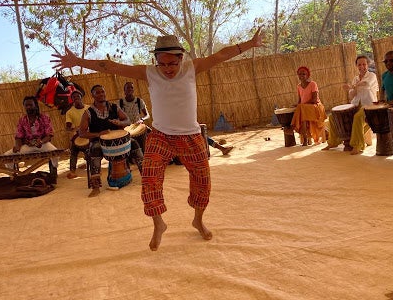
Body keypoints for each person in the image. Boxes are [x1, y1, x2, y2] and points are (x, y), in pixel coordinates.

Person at [52, 27, 264, 251]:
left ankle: (198, 220)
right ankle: (159, 224)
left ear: (181, 59)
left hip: (191, 136)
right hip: (161, 136)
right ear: (156, 61)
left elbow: (221, 55)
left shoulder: (192, 68)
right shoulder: (149, 73)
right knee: (150, 179)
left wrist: (250, 44)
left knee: (202, 181)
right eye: (162, 63)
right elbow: (111, 66)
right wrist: (77, 60)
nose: (167, 69)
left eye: (172, 63)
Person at [78, 84, 144, 197]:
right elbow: (82, 133)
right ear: (92, 95)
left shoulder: (114, 107)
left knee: (134, 143)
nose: (101, 94)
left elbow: (127, 120)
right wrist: (98, 134)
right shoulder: (88, 112)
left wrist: (120, 123)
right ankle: (96, 187)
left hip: (118, 139)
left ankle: (146, 176)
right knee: (95, 149)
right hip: (99, 141)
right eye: (97, 92)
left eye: (102, 92)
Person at [323, 55, 378, 154]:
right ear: (356, 66)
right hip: (356, 105)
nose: (362, 67)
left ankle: (358, 145)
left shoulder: (372, 76)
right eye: (359, 64)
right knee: (333, 117)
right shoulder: (355, 78)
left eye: (364, 64)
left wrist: (353, 86)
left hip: (369, 105)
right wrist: (350, 89)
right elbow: (352, 96)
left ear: (368, 65)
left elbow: (366, 84)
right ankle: (333, 142)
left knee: (357, 117)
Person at [4, 96, 59, 183]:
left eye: (30, 105)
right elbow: (19, 136)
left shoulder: (44, 117)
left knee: (55, 152)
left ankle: (54, 170)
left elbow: (49, 135)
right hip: (28, 145)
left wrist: (41, 141)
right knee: (7, 155)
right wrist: (17, 146)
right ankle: (12, 175)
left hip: (43, 144)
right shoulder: (22, 120)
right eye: (26, 105)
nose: (28, 107)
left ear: (35, 105)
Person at [290, 66, 327, 146]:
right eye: (300, 74)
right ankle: (305, 139)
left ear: (308, 75)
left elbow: (314, 99)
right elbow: (300, 100)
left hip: (315, 106)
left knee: (301, 109)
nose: (302, 76)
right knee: (301, 110)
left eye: (304, 74)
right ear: (298, 76)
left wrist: (302, 105)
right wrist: (296, 105)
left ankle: (293, 128)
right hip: (304, 108)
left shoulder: (313, 84)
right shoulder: (299, 86)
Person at [119, 81, 150, 152]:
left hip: (138, 126)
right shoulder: (120, 103)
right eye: (127, 88)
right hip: (126, 128)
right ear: (124, 91)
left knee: (149, 136)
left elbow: (147, 115)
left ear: (133, 90)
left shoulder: (139, 101)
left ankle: (144, 156)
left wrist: (142, 119)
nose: (130, 89)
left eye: (131, 87)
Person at [65, 90, 89, 179]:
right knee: (74, 151)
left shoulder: (88, 108)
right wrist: (75, 128)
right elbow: (68, 127)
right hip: (77, 135)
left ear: (81, 97)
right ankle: (72, 171)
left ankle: (91, 166)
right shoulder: (70, 112)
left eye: (78, 96)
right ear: (72, 100)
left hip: (89, 133)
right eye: (74, 97)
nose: (76, 99)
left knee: (90, 150)